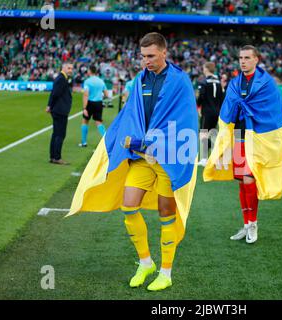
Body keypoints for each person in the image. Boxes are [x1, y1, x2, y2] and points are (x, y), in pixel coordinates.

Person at [67, 32, 198, 292]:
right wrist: (124, 138)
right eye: (143, 56)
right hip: (141, 158)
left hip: (167, 159)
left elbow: (185, 121)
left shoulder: (180, 81)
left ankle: (166, 272)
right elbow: (131, 115)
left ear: (164, 52)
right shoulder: (140, 80)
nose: (146, 61)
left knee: (166, 213)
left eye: (151, 56)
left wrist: (154, 142)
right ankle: (145, 262)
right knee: (128, 207)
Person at [204, 45, 282, 244]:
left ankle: (253, 224)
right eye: (241, 57)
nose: (243, 61)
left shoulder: (267, 83)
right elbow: (229, 107)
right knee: (242, 181)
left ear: (256, 59)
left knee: (250, 179)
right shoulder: (234, 83)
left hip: (257, 136)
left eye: (247, 57)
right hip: (239, 135)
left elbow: (272, 110)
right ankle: (246, 224)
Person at [45, 62, 73, 165]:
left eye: (71, 68)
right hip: (60, 110)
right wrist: (49, 106)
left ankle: (53, 156)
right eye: (69, 68)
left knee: (56, 134)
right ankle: (57, 157)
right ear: (64, 68)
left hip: (58, 109)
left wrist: (49, 106)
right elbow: (55, 94)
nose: (71, 70)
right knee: (60, 134)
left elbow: (54, 93)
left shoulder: (62, 78)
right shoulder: (61, 79)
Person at [197, 62, 224, 167]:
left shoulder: (203, 82)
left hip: (207, 112)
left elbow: (201, 96)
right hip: (217, 112)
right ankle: (214, 157)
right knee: (212, 134)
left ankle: (204, 159)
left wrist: (198, 106)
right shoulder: (218, 82)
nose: (203, 70)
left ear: (207, 69)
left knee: (203, 133)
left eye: (204, 68)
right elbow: (222, 98)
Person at [79, 65, 108, 148]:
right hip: (99, 103)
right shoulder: (101, 81)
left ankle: (84, 142)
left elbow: (86, 94)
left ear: (90, 71)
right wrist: (100, 97)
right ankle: (106, 141)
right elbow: (106, 94)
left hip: (90, 103)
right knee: (98, 122)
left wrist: (84, 108)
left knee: (85, 121)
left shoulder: (88, 81)